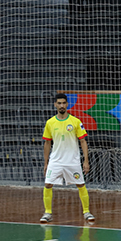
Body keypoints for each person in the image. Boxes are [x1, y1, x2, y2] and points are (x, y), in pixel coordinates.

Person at [40, 94, 94, 224]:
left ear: (67, 104)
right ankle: (47, 213)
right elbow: (47, 143)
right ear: (55, 105)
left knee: (81, 184)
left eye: (64, 103)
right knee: (48, 184)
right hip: (55, 161)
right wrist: (46, 163)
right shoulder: (50, 122)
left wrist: (85, 160)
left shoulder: (75, 121)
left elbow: (83, 142)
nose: (62, 105)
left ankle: (86, 212)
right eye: (59, 103)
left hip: (72, 161)